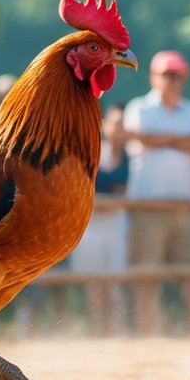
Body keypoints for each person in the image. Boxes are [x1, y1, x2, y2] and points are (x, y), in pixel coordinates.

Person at [123, 50, 190, 336]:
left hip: (187, 205)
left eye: (177, 76)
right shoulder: (140, 107)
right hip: (148, 205)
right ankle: (147, 334)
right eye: (168, 75)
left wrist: (162, 140)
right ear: (154, 76)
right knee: (146, 276)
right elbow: (142, 137)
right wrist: (183, 140)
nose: (173, 81)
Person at [68, 104, 129, 334]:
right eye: (115, 122)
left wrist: (103, 201)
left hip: (115, 223)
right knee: (93, 282)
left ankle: (113, 329)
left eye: (123, 124)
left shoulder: (129, 157)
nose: (119, 128)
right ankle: (97, 328)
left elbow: (124, 194)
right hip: (90, 224)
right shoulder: (93, 150)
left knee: (114, 282)